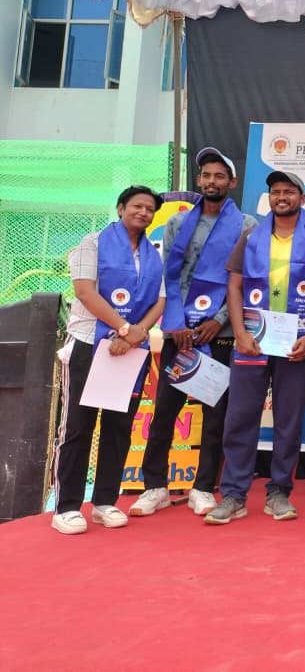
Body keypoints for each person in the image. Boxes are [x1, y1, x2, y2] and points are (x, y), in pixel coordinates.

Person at [131, 148, 257, 518]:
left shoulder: (247, 225)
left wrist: (219, 320)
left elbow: (246, 280)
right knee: (164, 413)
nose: (212, 181)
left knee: (215, 416)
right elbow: (169, 277)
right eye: (206, 175)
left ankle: (202, 488)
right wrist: (176, 323)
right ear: (199, 180)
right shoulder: (177, 223)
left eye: (220, 175)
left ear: (232, 181)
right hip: (180, 333)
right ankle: (154, 486)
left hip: (220, 333)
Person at [204, 171, 305, 525]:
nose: (281, 197)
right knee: (240, 418)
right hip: (252, 342)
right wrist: (239, 332)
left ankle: (278, 493)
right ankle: (234, 495)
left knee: (288, 422)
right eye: (275, 191)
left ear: (301, 198)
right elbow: (234, 286)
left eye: (288, 191)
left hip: (296, 343)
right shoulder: (251, 236)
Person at [52, 186, 166, 534]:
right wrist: (124, 328)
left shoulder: (153, 254)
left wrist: (136, 334)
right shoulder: (93, 242)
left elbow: (160, 301)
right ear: (120, 208)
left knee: (119, 428)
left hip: (129, 351)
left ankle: (104, 502)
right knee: (78, 427)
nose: (143, 213)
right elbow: (84, 291)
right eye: (137, 206)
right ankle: (66, 507)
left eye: (149, 209)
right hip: (89, 344)